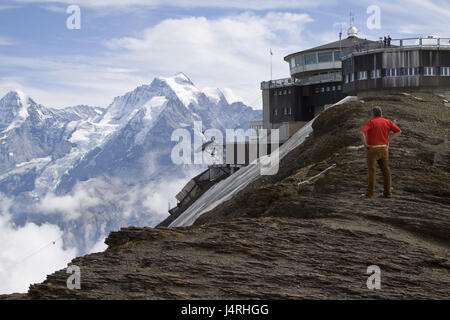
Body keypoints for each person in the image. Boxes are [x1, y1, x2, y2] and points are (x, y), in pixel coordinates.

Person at [360, 106, 401, 198]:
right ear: (381, 113)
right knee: (386, 171)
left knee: (372, 171)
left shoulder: (371, 122)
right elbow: (398, 131)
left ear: (373, 114)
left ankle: (369, 194)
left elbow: (362, 132)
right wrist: (388, 140)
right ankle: (387, 193)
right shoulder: (387, 122)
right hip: (384, 149)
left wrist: (365, 144)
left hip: (373, 149)